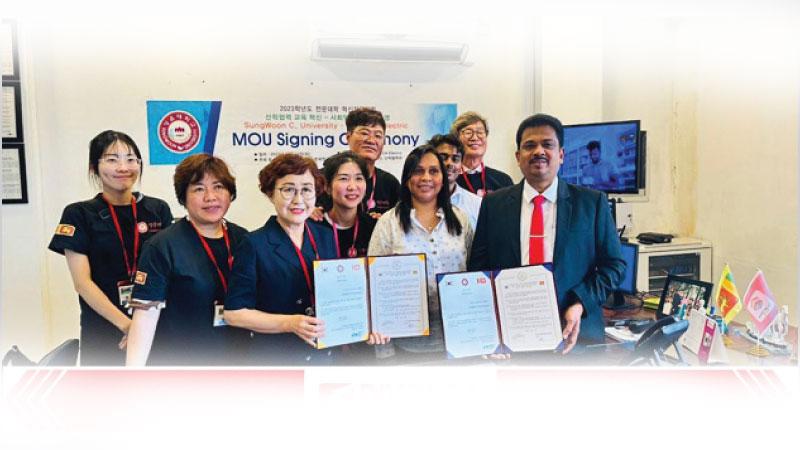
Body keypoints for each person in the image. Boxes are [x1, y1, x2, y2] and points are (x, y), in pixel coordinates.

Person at [467, 114, 625, 353]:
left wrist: (580, 302)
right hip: (512, 339)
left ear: (561, 154)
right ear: (518, 157)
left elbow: (614, 266)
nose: (538, 151)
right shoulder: (493, 205)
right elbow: (479, 268)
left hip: (576, 335)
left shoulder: (592, 204)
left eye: (547, 144)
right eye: (529, 145)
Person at [48, 130, 173, 365]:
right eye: (112, 159)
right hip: (104, 330)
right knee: (105, 397)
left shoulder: (158, 209)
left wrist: (142, 328)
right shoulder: (79, 214)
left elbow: (168, 273)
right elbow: (82, 283)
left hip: (155, 328)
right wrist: (128, 326)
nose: (123, 167)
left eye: (130, 159)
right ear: (94, 167)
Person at [125, 154, 249, 366]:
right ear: (183, 197)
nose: (210, 197)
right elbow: (145, 316)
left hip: (238, 360)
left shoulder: (245, 239)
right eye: (198, 189)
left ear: (230, 193)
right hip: (181, 365)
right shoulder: (162, 246)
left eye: (218, 187)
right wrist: (133, 375)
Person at [223, 153, 338, 365]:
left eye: (306, 189)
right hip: (277, 360)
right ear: (270, 193)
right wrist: (289, 323)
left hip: (323, 357)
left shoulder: (326, 236)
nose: (298, 200)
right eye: (288, 190)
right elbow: (233, 313)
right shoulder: (253, 244)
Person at [368, 145, 474, 363]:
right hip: (407, 346)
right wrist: (385, 353)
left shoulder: (461, 220)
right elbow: (374, 289)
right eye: (418, 171)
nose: (426, 177)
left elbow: (476, 274)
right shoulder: (388, 223)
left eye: (434, 171)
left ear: (443, 179)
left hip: (459, 340)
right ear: (407, 179)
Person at [318, 107, 400, 218]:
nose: (371, 140)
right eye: (364, 133)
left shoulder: (390, 184)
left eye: (378, 136)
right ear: (348, 137)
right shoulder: (322, 178)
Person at [319, 151, 377, 258]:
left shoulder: (375, 227)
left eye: (358, 178)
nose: (352, 187)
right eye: (343, 179)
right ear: (327, 187)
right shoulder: (314, 227)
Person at [451, 111, 514, 197]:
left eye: (480, 132)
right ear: (456, 139)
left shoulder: (502, 180)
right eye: (468, 132)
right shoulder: (448, 178)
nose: (474, 138)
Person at [429, 133, 482, 230]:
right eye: (443, 158)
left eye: (455, 159)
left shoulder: (477, 205)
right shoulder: (417, 202)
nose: (450, 163)